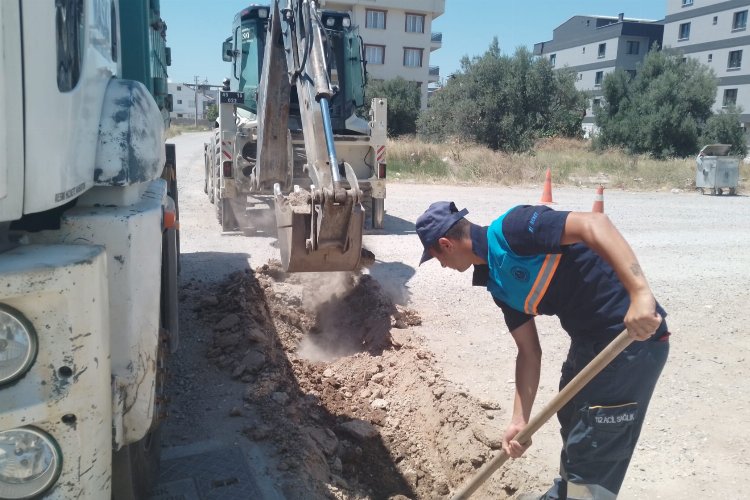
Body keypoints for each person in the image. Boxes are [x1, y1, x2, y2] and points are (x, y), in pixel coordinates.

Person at [415, 201, 670, 500]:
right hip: (588, 346)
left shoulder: (514, 228)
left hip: (629, 341)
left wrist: (641, 295)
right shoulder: (497, 283)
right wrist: (519, 420)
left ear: (445, 244)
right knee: (574, 433)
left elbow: (596, 224)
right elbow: (528, 351)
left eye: (437, 258)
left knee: (592, 450)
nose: (443, 266)